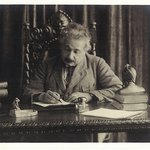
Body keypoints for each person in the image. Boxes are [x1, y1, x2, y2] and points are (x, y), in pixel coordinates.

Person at [23, 22, 122, 142]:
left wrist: (89, 95)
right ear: (61, 47)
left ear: (86, 50)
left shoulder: (97, 63)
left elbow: (117, 89)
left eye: (76, 51)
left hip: (87, 126)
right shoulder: (47, 65)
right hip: (52, 125)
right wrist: (41, 96)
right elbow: (28, 92)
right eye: (67, 49)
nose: (70, 56)